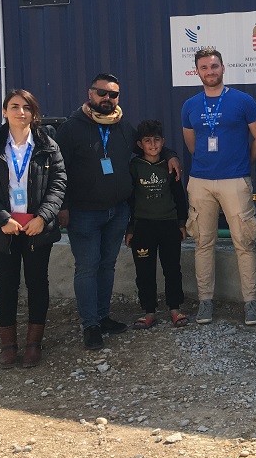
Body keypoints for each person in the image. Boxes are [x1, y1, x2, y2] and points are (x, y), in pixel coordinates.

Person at [56, 73, 180, 350]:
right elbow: (58, 169)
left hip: (117, 212)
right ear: (90, 94)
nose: (108, 99)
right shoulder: (72, 127)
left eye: (113, 95)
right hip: (84, 213)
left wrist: (171, 154)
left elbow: (149, 144)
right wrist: (62, 206)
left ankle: (102, 316)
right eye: (102, 93)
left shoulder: (122, 126)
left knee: (107, 265)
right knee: (87, 267)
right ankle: (90, 325)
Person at [0, 89, 66, 369]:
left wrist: (44, 217)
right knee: (6, 285)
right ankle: (8, 346)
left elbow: (58, 184)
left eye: (27, 107)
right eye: (14, 106)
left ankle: (34, 344)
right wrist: (2, 219)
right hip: (3, 229)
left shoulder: (48, 146)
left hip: (37, 227)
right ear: (4, 111)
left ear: (34, 113)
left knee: (38, 284)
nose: (20, 112)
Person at [181, 47, 256, 326]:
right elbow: (192, 144)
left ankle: (250, 302)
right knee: (203, 242)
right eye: (204, 68)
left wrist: (242, 165)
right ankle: (205, 301)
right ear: (197, 71)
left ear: (223, 67)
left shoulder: (243, 101)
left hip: (235, 179)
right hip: (201, 181)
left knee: (244, 242)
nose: (210, 72)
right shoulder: (190, 105)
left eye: (214, 66)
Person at [125, 120, 189, 329]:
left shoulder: (170, 165)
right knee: (144, 270)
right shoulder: (134, 167)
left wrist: (181, 222)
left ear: (164, 141)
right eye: (147, 141)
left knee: (172, 268)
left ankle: (175, 308)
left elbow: (179, 196)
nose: (153, 145)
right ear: (140, 144)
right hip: (143, 226)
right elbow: (130, 200)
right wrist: (130, 228)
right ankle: (149, 311)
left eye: (157, 140)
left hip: (168, 224)